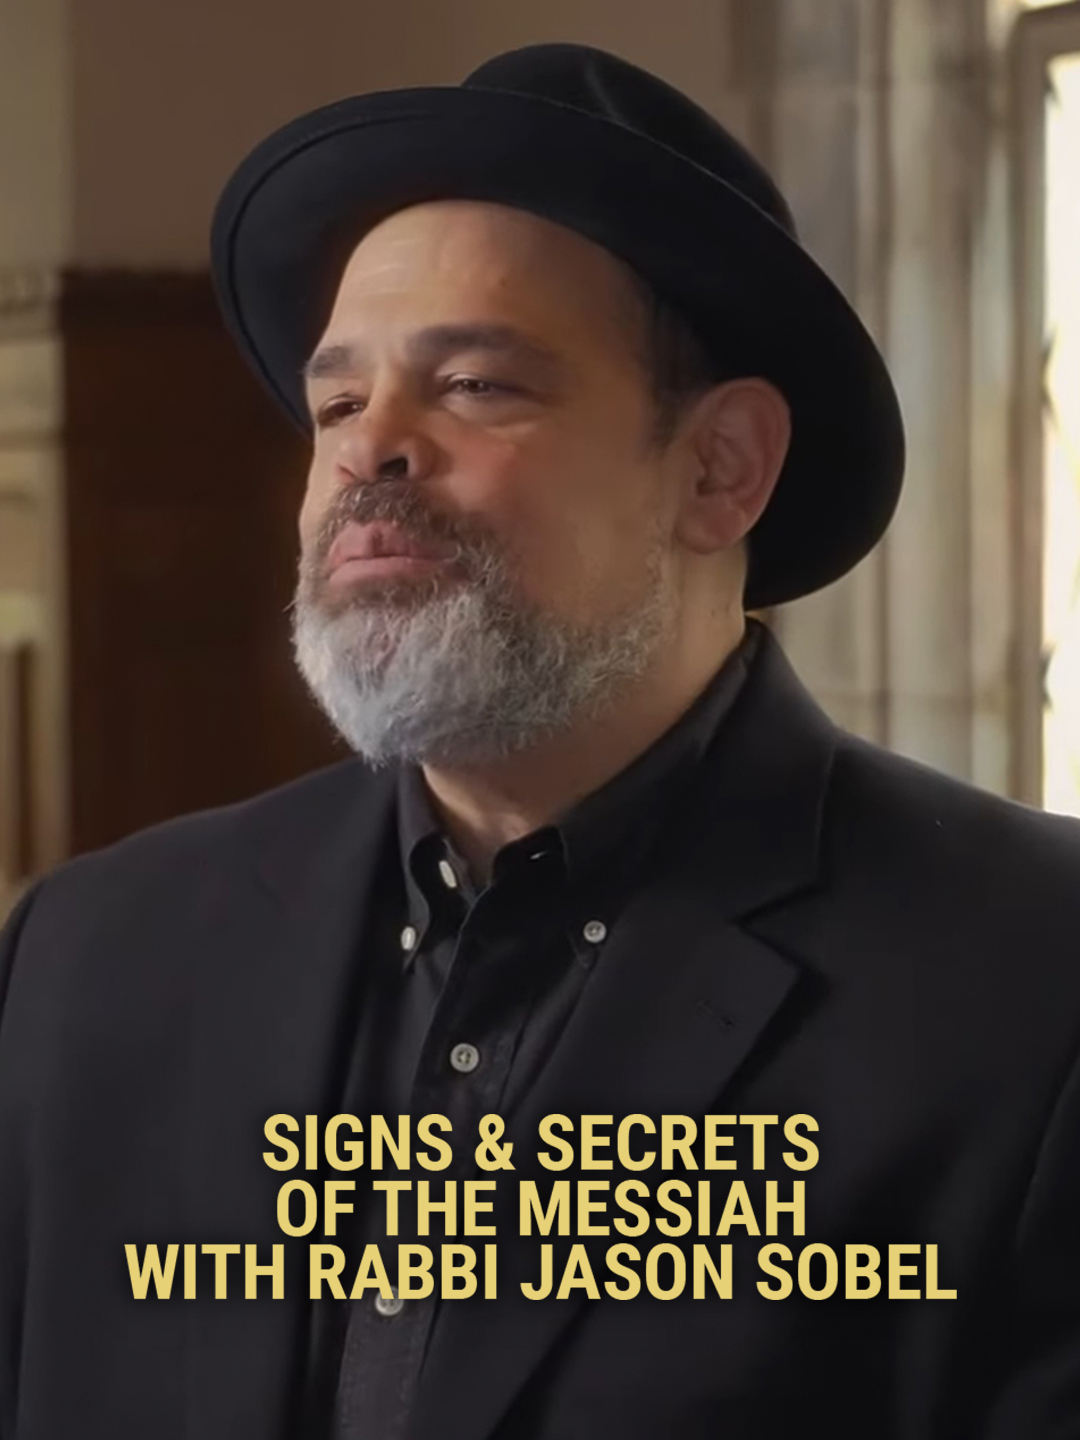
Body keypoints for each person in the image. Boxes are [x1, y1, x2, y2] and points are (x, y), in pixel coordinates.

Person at [1, 40, 1078, 1440]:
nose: (369, 452)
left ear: (721, 469)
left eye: (473, 385)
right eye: (338, 403)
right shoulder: (87, 957)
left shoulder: (1034, 986)